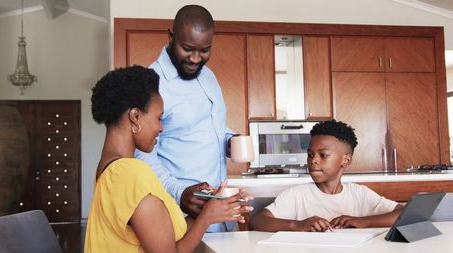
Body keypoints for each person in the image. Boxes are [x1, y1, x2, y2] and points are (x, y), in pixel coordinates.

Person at [84, 66, 252, 252]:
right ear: (136, 116)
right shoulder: (130, 174)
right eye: (159, 118)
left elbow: (163, 236)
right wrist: (206, 219)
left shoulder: (109, 170)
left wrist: (210, 210)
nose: (161, 128)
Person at [134, 5, 237, 232]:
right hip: (180, 216)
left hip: (220, 215)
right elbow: (141, 155)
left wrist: (231, 140)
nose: (195, 59)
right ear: (171, 36)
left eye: (204, 50)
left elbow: (208, 126)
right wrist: (179, 192)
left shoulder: (208, 76)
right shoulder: (152, 83)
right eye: (187, 48)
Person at [250, 120, 404, 232]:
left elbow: (404, 213)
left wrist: (363, 221)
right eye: (310, 155)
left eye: (323, 155)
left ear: (345, 160)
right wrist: (297, 225)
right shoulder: (297, 195)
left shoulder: (359, 194)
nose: (314, 160)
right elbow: (257, 222)